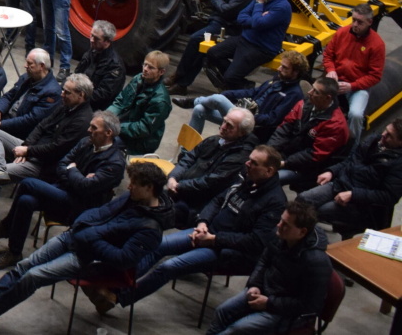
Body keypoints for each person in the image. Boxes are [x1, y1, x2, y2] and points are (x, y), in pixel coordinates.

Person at [0, 161, 170, 327]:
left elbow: (122, 260)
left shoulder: (150, 229)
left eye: (135, 184)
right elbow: (102, 212)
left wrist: (91, 238)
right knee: (24, 266)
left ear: (149, 188)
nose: (129, 187)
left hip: (87, 257)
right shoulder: (133, 197)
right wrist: (82, 224)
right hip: (75, 236)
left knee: (33, 276)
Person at [86, 145, 288, 316]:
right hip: (205, 231)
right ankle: (113, 283)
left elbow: (255, 241)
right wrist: (203, 222)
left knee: (169, 267)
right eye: (249, 160)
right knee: (156, 245)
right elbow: (218, 200)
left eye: (254, 163)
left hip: (227, 251)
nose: (247, 164)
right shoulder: (247, 179)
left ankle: (117, 298)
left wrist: (213, 239)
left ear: (269, 171)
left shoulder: (275, 202)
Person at [0, 111, 127, 270]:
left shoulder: (115, 163)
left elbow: (85, 188)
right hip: (62, 191)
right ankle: (14, 253)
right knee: (25, 201)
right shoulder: (86, 142)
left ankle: (6, 226)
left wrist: (73, 170)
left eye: (94, 127)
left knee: (28, 183)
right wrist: (75, 175)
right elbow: (62, 165)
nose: (88, 130)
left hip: (79, 207)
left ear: (108, 133)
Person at [0, 75, 94, 234]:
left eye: (67, 92)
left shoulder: (82, 121)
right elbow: (41, 126)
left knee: (0, 175)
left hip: (44, 165)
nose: (62, 94)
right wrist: (26, 146)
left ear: (81, 95)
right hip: (33, 149)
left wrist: (28, 151)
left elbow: (56, 149)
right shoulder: (66, 104)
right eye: (63, 90)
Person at [205, 200, 332, 335]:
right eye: (281, 220)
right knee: (222, 311)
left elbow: (309, 306)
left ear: (302, 232)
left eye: (286, 225)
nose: (279, 225)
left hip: (288, 313)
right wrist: (255, 285)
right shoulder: (280, 235)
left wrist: (269, 303)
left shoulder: (316, 262)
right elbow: (264, 261)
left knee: (236, 330)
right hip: (266, 292)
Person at [298, 118, 402, 238]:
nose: (383, 134)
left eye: (390, 135)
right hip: (340, 184)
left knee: (319, 211)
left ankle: (307, 240)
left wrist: (353, 194)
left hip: (361, 203)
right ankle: (295, 237)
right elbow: (349, 161)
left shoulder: (398, 164)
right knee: (303, 200)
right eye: (386, 130)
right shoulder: (372, 140)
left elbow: (388, 196)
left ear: (400, 142)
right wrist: (331, 172)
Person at [166, 0, 255, 95]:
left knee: (196, 39)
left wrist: (219, 2)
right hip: (217, 21)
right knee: (200, 48)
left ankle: (179, 76)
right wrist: (220, 2)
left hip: (228, 27)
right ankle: (181, 83)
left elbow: (226, 10)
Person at [177, 50, 307, 140]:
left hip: (255, 126)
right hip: (244, 114)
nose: (279, 69)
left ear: (295, 72)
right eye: (280, 65)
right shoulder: (276, 80)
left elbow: (273, 119)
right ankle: (185, 154)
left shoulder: (294, 94)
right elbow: (252, 92)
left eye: (284, 68)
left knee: (218, 99)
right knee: (199, 110)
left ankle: (193, 101)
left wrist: (250, 116)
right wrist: (228, 94)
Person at [204, 0, 293, 90]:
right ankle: (233, 83)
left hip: (262, 48)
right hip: (245, 39)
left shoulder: (281, 6)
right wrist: (257, 18)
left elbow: (258, 23)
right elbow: (241, 17)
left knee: (230, 77)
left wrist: (259, 5)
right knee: (213, 53)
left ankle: (243, 86)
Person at [167, 108, 259, 221]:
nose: (223, 127)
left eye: (230, 126)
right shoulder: (214, 140)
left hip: (196, 203)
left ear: (242, 133)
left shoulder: (238, 158)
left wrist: (178, 186)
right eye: (224, 121)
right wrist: (173, 177)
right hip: (180, 189)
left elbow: (209, 182)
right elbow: (188, 158)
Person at [0, 49, 61, 147]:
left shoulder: (52, 92)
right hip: (7, 117)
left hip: (22, 129)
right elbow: (9, 96)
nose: (25, 65)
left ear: (41, 66)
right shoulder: (27, 77)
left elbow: (31, 120)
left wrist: (1, 124)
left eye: (30, 63)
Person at [268, 77, 348, 189]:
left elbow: (314, 155)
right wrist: (269, 151)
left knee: (267, 176)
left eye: (316, 91)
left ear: (327, 98)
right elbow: (284, 129)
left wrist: (284, 163)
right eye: (312, 88)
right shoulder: (304, 104)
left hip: (307, 168)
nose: (309, 92)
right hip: (288, 153)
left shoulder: (335, 124)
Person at [322, 3, 385, 146]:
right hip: (335, 81)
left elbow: (375, 76)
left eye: (360, 22)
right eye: (354, 20)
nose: (355, 25)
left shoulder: (377, 44)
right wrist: (331, 70)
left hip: (358, 87)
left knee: (356, 114)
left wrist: (352, 86)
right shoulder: (342, 33)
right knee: (314, 98)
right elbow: (328, 55)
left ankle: (351, 148)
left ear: (370, 22)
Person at [106, 51, 171, 155]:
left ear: (161, 72)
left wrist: (116, 127)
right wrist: (106, 117)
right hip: (125, 125)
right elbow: (120, 101)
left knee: (103, 141)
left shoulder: (160, 101)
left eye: (151, 67)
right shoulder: (138, 78)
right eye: (145, 64)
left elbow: (143, 128)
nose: (145, 69)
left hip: (141, 141)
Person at [74, 20, 125, 110]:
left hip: (95, 108)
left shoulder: (115, 66)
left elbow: (103, 95)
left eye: (96, 38)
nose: (91, 40)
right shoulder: (92, 51)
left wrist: (78, 98)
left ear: (107, 41)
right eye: (91, 35)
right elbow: (77, 74)